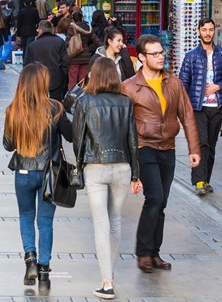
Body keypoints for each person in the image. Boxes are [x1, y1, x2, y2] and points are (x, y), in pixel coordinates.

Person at [122, 34, 200, 273]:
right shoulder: (129, 87)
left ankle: (154, 252)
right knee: (154, 197)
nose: (160, 57)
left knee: (162, 202)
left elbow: (186, 116)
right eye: (154, 54)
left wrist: (194, 149)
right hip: (144, 147)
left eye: (161, 52)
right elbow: (122, 124)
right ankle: (143, 252)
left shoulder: (173, 83)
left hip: (168, 148)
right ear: (142, 58)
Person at [73, 57, 140, 299]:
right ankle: (109, 274)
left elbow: (78, 139)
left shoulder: (85, 102)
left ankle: (107, 282)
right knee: (115, 221)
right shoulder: (126, 101)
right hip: (122, 165)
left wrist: (78, 167)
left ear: (94, 75)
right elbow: (133, 138)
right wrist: (136, 173)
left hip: (95, 166)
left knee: (100, 224)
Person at [3, 62, 72, 291]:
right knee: (45, 222)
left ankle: (30, 259)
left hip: (23, 171)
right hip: (48, 174)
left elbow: (8, 144)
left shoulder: (13, 110)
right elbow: (71, 136)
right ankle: (44, 269)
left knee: (25, 216)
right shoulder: (55, 108)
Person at [179, 18, 222, 196]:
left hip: (217, 108)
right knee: (201, 144)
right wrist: (184, 108)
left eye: (210, 30)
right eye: (204, 30)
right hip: (198, 108)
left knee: (211, 146)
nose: (207, 33)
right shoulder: (191, 56)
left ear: (214, 32)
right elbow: (182, 84)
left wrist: (218, 87)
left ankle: (206, 180)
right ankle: (199, 182)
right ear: (198, 32)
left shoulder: (221, 54)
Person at [25, 20, 69, 102]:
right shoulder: (60, 42)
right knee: (55, 105)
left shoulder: (33, 45)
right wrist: (63, 79)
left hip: (38, 80)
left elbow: (28, 66)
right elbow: (65, 63)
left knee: (39, 105)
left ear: (41, 30)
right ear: (52, 29)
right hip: (56, 79)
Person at [66, 11, 100, 89]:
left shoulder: (72, 28)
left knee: (72, 80)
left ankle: (72, 98)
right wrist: (88, 48)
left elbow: (67, 42)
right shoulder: (88, 27)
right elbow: (97, 42)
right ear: (82, 18)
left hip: (74, 57)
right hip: (85, 57)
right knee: (83, 80)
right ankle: (82, 96)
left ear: (73, 20)